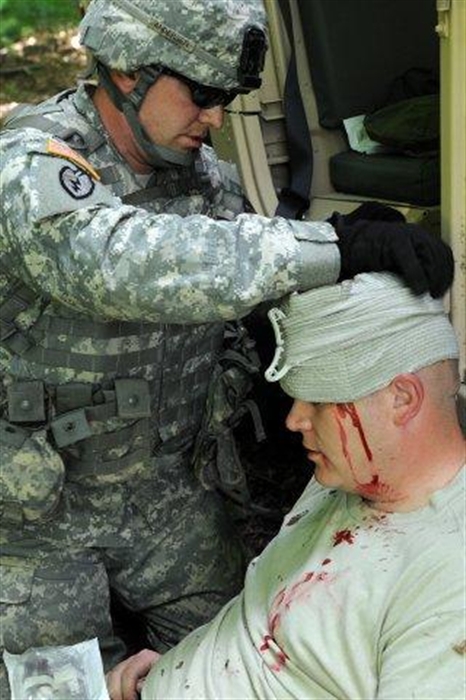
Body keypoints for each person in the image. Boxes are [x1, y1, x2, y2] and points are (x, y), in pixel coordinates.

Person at [0, 0, 455, 694]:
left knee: (250, 654)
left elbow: (249, 275)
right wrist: (330, 245)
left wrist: (353, 265)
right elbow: (114, 262)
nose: (215, 119)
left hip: (166, 490)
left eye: (228, 98)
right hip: (40, 510)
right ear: (126, 69)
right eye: (202, 94)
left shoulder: (205, 183)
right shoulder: (35, 162)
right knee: (65, 686)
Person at [107, 272, 465, 700]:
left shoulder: (449, 583)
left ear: (402, 399)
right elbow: (266, 620)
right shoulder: (349, 476)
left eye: (317, 400)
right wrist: (176, 667)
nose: (295, 420)